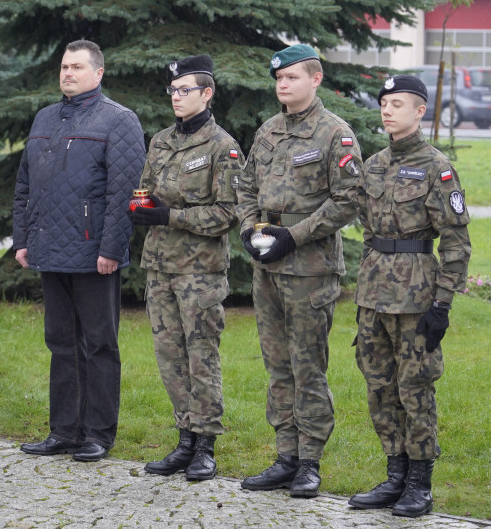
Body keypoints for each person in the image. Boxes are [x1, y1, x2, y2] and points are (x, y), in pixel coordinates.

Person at [235, 44, 361, 499]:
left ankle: (310, 461)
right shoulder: (268, 131)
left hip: (309, 268)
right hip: (267, 265)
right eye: (279, 79)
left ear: (316, 79)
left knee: (308, 366)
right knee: (277, 365)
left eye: (291, 77)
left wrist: (297, 235)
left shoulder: (335, 134)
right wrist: (250, 230)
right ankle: (285, 454)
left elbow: (348, 199)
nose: (282, 85)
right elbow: (245, 186)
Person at [13, 39, 145, 462]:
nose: (67, 73)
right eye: (64, 67)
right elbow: (24, 186)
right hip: (49, 249)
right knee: (61, 342)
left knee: (99, 344)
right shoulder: (45, 118)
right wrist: (23, 239)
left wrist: (111, 247)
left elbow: (124, 191)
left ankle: (97, 434)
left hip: (93, 254)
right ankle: (64, 431)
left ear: (98, 73)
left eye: (76, 67)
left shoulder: (118, 120)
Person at [347, 75, 471, 517]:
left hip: (416, 296)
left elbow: (456, 242)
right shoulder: (375, 163)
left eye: (397, 103)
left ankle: (420, 482)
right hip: (373, 294)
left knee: (414, 388)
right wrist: (364, 282)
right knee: (379, 387)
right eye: (383, 102)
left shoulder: (437, 167)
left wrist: (442, 304)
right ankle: (395, 474)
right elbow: (368, 233)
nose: (386, 110)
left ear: (420, 111)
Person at [131, 55, 244, 481]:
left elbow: (229, 213)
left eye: (185, 90)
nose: (176, 97)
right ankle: (184, 439)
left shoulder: (223, 146)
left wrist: (170, 217)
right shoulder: (161, 140)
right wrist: (142, 209)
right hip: (160, 266)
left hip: (200, 271)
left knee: (201, 358)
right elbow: (148, 190)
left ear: (207, 93)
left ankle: (206, 445)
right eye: (173, 91)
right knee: (169, 358)